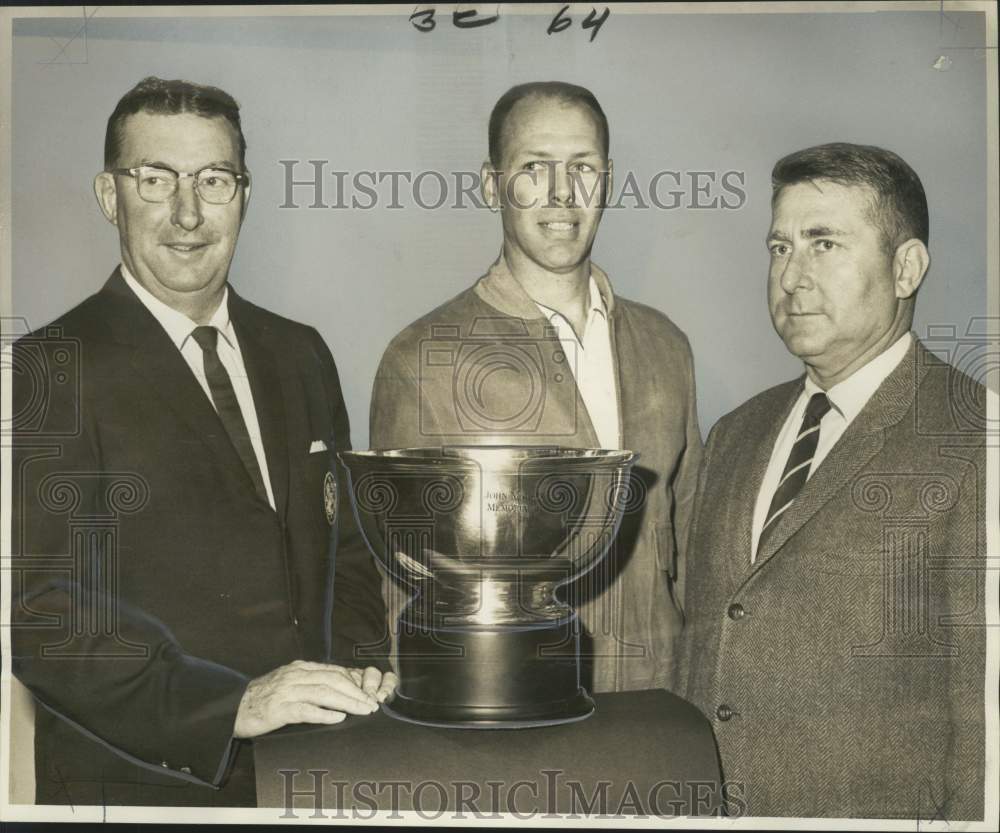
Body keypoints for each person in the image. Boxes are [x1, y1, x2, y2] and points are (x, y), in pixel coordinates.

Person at [9, 77, 395, 808]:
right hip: (138, 789)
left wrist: (360, 669)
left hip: (318, 774)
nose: (188, 212)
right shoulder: (47, 368)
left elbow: (348, 553)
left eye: (214, 180)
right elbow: (40, 618)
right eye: (156, 179)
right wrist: (233, 706)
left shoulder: (302, 352)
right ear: (108, 195)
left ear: (243, 195)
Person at [680, 142, 986, 819]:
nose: (792, 277)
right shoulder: (735, 434)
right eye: (779, 247)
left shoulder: (974, 437)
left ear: (906, 268)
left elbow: (983, 717)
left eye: (824, 244)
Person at [369, 81, 703, 693]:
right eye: (533, 168)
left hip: (660, 712)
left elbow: (689, 554)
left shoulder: (666, 347)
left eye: (582, 166)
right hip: (514, 718)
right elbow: (402, 589)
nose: (561, 193)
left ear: (608, 180)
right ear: (491, 184)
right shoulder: (421, 358)